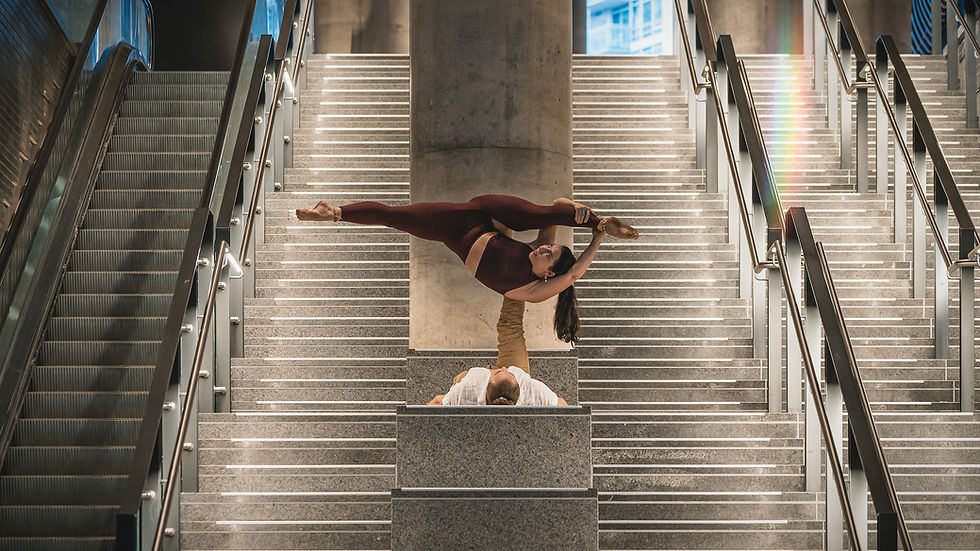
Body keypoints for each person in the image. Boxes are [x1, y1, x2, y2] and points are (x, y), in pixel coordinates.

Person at [296, 194, 639, 343]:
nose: (545, 247)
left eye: (549, 254)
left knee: (396, 218)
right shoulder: (535, 249)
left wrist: (596, 242)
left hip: (456, 231)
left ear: (549, 274)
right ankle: (601, 220)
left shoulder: (534, 291)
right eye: (549, 246)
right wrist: (579, 211)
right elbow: (556, 205)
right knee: (546, 214)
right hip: (485, 213)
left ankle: (333, 212)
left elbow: (574, 274)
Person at [426, 296, 568, 406]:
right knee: (510, 326)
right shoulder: (532, 390)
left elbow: (437, 402)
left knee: (456, 387)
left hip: (468, 378)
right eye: (506, 372)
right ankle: (518, 280)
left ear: (486, 389)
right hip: (513, 374)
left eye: (499, 372)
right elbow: (562, 404)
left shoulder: (466, 391)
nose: (503, 368)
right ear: (520, 390)